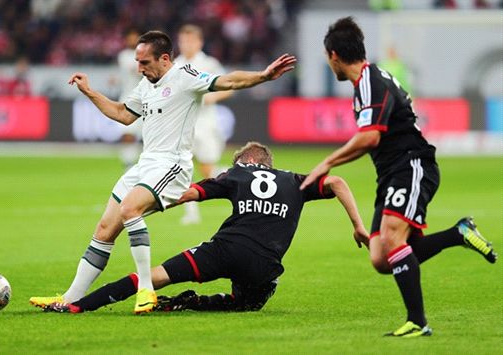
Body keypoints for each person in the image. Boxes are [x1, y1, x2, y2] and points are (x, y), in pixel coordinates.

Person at [29, 30, 297, 314]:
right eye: (137, 61)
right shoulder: (145, 85)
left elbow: (227, 80)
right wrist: (90, 92)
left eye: (144, 62)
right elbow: (123, 114)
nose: (139, 68)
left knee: (130, 209)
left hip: (172, 165)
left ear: (165, 58)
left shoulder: (185, 76)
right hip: (146, 164)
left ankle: (146, 289)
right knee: (105, 229)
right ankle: (69, 298)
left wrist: (263, 76)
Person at [299, 17, 497, 337]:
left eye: (326, 57)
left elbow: (370, 137)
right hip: (391, 173)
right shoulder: (367, 81)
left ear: (333, 55)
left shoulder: (370, 81)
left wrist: (327, 163)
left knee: (393, 239)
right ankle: (459, 233)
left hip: (412, 165)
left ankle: (418, 322)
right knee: (380, 258)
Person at [41, 142, 369, 314]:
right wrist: (357, 226)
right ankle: (193, 302)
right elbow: (338, 180)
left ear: (243, 162)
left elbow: (189, 194)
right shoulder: (295, 181)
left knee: (151, 277)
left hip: (223, 251)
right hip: (265, 266)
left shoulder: (235, 175)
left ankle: (78, 305)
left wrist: (147, 208)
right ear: (268, 163)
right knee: (247, 303)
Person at [174, 24, 234, 225]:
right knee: (183, 167)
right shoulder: (176, 65)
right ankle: (190, 213)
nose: (186, 45)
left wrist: (212, 97)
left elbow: (229, 87)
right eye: (183, 41)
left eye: (190, 40)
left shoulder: (209, 63)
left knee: (208, 170)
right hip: (184, 124)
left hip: (206, 123)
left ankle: (237, 174)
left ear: (199, 42)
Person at [116, 27, 143, 169]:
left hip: (145, 99)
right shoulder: (124, 55)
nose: (132, 40)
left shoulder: (145, 53)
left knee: (147, 137)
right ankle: (128, 163)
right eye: (130, 37)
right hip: (128, 99)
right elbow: (136, 70)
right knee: (128, 134)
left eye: (135, 37)